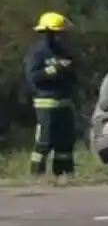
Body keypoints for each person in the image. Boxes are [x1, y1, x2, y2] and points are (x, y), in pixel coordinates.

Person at [24, 12, 78, 177]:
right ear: (48, 33)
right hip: (46, 105)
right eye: (59, 33)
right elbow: (33, 77)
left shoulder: (64, 51)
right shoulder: (37, 53)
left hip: (65, 104)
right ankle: (37, 176)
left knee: (65, 144)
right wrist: (56, 69)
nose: (63, 37)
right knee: (44, 143)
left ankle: (64, 175)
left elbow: (74, 77)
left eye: (63, 33)